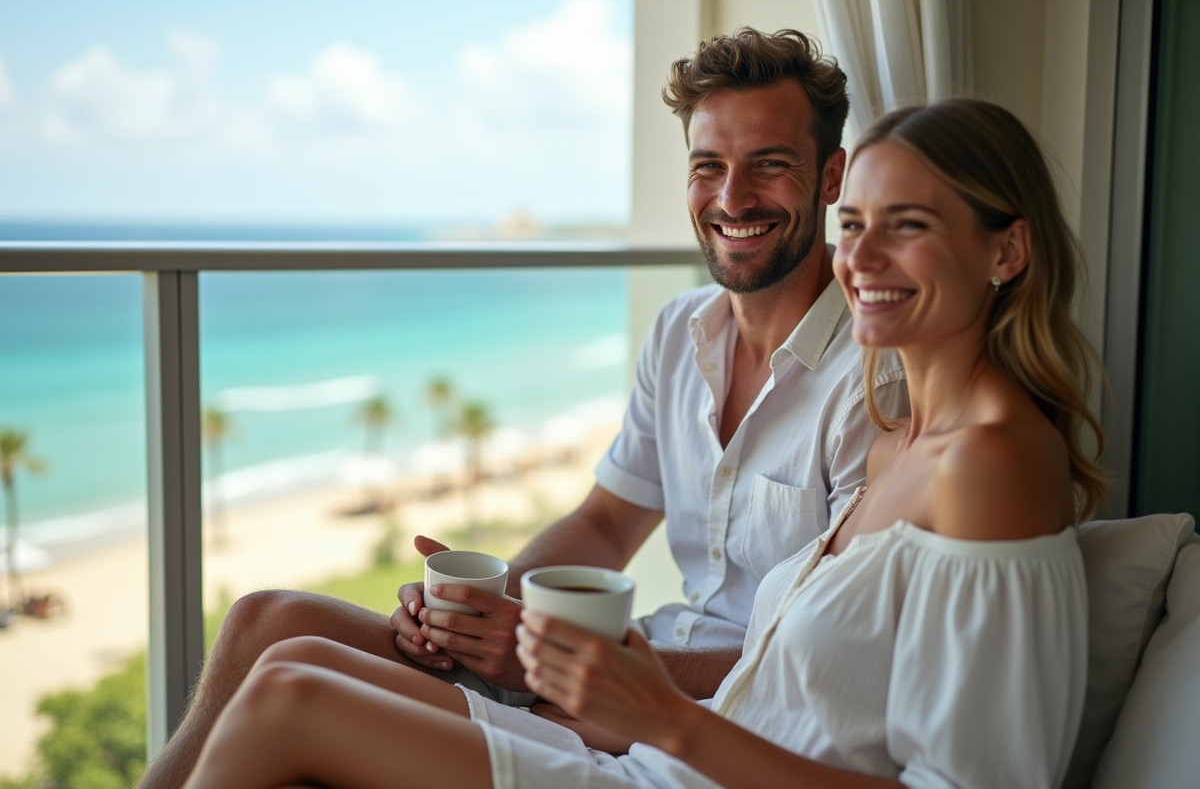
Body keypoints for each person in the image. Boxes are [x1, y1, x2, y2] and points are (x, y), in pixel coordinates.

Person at [178, 96, 1107, 789]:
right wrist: (504, 616)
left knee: (287, 698)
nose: (859, 260)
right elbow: (613, 522)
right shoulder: (900, 438)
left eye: (907, 227)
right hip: (668, 749)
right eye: (856, 226)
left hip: (678, 753)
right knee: (283, 646)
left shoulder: (989, 461)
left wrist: (656, 711)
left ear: (1005, 251)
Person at [138, 28, 907, 789]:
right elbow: (606, 522)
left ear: (831, 176)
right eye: (709, 166)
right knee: (262, 621)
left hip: (697, 720)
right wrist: (488, 608)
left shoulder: (874, 384)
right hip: (618, 664)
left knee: (291, 696)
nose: (732, 198)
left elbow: (825, 661)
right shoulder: (683, 330)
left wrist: (569, 663)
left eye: (769, 166)